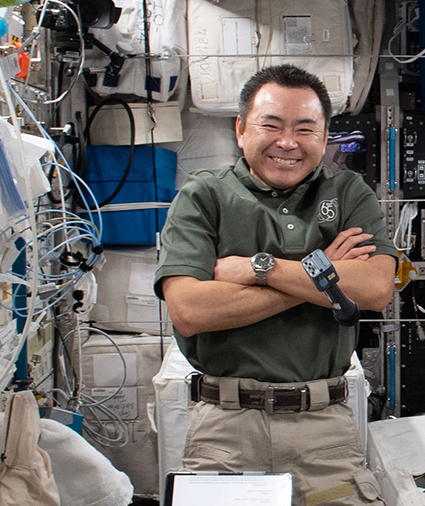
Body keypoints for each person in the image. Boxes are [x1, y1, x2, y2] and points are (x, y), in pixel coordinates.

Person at [154, 64, 396, 505]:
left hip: (324, 430)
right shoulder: (204, 196)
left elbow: (376, 287)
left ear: (324, 139)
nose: (288, 142)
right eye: (271, 125)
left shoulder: (347, 193)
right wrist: (324, 275)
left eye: (305, 129)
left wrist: (259, 267)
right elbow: (190, 311)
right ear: (241, 129)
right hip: (226, 429)